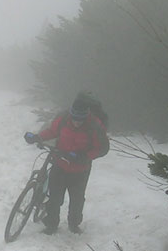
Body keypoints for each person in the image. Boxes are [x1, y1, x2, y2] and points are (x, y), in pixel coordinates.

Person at [24, 95, 108, 234]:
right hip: (60, 163)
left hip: (80, 170)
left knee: (77, 200)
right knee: (55, 197)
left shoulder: (94, 126)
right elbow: (52, 131)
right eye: (74, 118)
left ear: (86, 116)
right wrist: (38, 137)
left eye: (80, 120)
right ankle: (51, 225)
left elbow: (102, 148)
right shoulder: (63, 119)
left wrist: (84, 156)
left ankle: (74, 225)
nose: (76, 122)